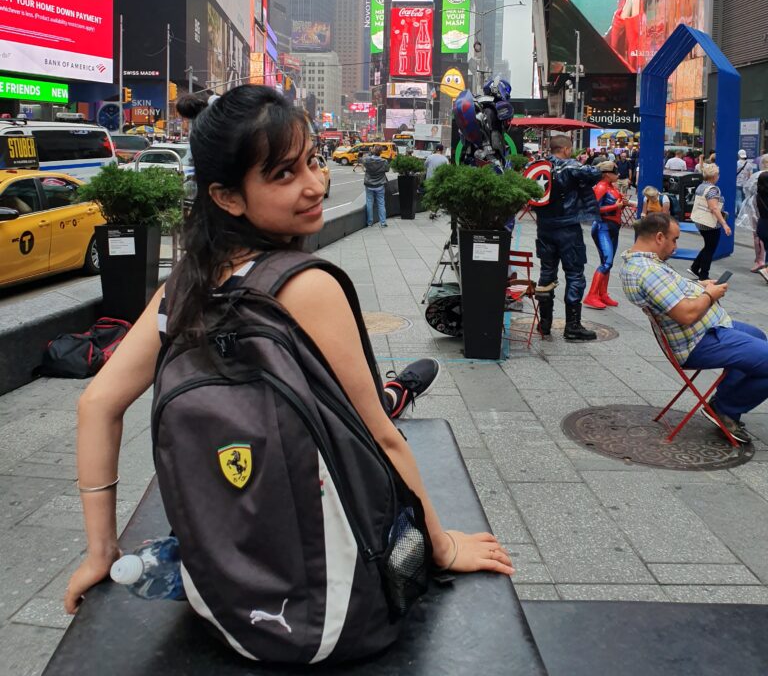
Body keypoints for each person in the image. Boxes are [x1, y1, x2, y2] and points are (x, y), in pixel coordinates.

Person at [64, 86, 513, 616]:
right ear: (227, 197)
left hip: (223, 586)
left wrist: (101, 552)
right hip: (321, 594)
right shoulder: (305, 287)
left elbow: (96, 405)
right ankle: (397, 391)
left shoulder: (183, 287)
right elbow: (381, 439)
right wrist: (441, 547)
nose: (314, 184)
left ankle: (396, 389)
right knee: (378, 411)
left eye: (312, 162)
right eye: (283, 174)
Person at [620, 212, 768, 444]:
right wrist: (710, 294)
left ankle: (723, 403)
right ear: (659, 237)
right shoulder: (648, 272)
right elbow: (686, 314)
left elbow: (673, 289)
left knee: (758, 336)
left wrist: (699, 285)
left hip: (708, 330)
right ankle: (726, 408)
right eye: (674, 239)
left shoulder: (642, 262)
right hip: (698, 340)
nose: (676, 247)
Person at [533, 134, 603, 341]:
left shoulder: (539, 166)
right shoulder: (570, 167)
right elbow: (594, 174)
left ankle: (544, 323)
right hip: (567, 228)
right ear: (564, 149)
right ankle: (572, 326)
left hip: (544, 228)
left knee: (546, 273)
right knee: (574, 274)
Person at [584, 161, 626, 310]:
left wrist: (621, 203)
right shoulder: (602, 187)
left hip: (611, 227)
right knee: (606, 262)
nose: (618, 175)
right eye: (615, 172)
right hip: (603, 227)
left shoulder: (610, 187)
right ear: (607, 174)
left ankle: (602, 294)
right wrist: (616, 206)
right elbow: (592, 208)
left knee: (607, 262)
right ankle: (592, 295)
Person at [689, 162, 731, 280]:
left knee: (708, 245)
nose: (718, 177)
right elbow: (714, 208)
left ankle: (695, 267)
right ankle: (704, 275)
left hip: (700, 221)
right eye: (717, 174)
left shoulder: (701, 186)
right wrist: (724, 224)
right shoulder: (712, 190)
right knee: (710, 248)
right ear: (714, 176)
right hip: (710, 223)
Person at [737, 154, 768, 274]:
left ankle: (759, 260)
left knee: (757, 235)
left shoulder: (758, 175)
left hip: (756, 207)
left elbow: (747, 188)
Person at [362, 144, 390, 228]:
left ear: (373, 151)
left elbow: (362, 160)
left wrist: (370, 153)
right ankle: (383, 222)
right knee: (381, 203)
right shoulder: (384, 161)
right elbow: (387, 169)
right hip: (380, 185)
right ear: (381, 152)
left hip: (369, 184)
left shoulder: (367, 160)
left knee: (369, 203)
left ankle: (370, 222)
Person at [735, 149, 755, 215]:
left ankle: (740, 213)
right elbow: (750, 175)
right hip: (746, 184)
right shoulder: (749, 164)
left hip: (737, 183)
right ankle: (744, 213)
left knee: (738, 199)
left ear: (739, 155)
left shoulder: (736, 163)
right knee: (744, 199)